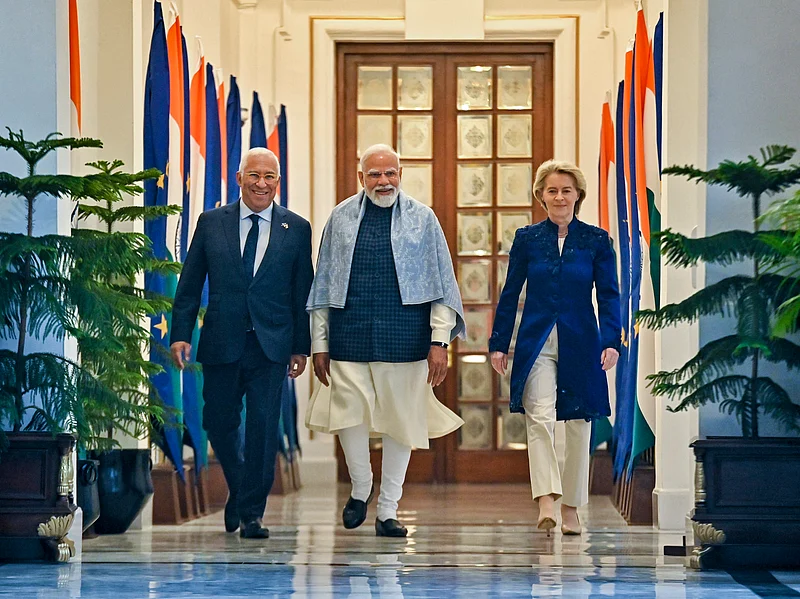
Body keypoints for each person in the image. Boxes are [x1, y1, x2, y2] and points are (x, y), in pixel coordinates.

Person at [305, 144, 465, 538]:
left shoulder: (423, 219)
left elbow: (441, 285)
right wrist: (319, 343)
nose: (383, 181)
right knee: (347, 415)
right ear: (361, 178)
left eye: (390, 173)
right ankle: (361, 488)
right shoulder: (340, 219)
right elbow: (324, 283)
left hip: (406, 337)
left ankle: (389, 509)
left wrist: (439, 342)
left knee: (401, 423)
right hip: (349, 334)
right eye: (374, 174)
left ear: (400, 175)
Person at [170, 147, 313, 539]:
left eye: (269, 177)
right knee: (218, 421)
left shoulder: (297, 229)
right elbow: (190, 282)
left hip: (272, 344)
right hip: (221, 339)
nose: (261, 183)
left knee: (263, 429)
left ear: (278, 183)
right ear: (239, 179)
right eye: (254, 175)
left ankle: (252, 513)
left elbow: (304, 292)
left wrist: (302, 347)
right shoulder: (211, 222)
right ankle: (240, 486)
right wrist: (181, 332)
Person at [489, 160, 621, 536]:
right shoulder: (527, 239)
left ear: (578, 195)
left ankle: (572, 508)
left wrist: (612, 339)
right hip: (537, 341)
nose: (559, 196)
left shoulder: (596, 240)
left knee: (580, 424)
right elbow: (510, 291)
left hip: (582, 340)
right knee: (540, 417)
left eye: (566, 190)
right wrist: (499, 343)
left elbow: (610, 296)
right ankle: (546, 499)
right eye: (552, 190)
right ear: (541, 197)